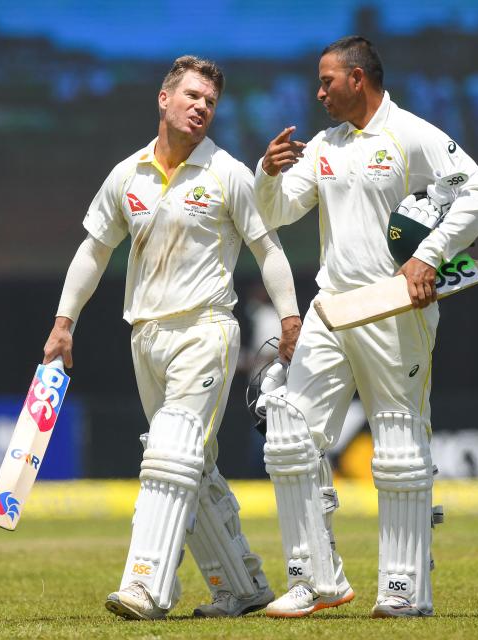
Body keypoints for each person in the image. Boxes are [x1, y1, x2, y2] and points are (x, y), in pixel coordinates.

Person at [42, 55, 302, 620]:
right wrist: (64, 323)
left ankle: (147, 587)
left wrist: (289, 320)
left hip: (206, 329)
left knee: (170, 453)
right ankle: (243, 586)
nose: (201, 107)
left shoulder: (227, 172)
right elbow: (94, 252)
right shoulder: (127, 173)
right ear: (164, 100)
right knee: (193, 465)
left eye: (210, 102)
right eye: (191, 96)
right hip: (146, 337)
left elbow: (268, 250)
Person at [254, 36, 478, 618]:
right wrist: (267, 175)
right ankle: (317, 581)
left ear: (358, 79)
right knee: (290, 439)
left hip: (393, 307)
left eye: (327, 82)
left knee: (397, 446)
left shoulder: (409, 132)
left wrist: (430, 255)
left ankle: (404, 589)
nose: (319, 93)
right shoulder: (324, 145)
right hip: (332, 307)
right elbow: (277, 211)